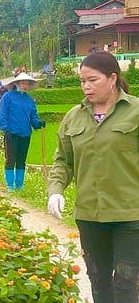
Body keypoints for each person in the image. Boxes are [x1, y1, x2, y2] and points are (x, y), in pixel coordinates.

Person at [46, 51, 139, 303]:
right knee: (98, 279)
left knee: (126, 282)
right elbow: (63, 161)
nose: (86, 86)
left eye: (93, 80)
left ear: (112, 78)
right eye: (82, 81)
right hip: (89, 215)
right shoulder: (73, 118)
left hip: (130, 214)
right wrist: (55, 189)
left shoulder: (135, 112)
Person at [0, 72, 45, 192]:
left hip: (25, 133)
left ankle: (19, 185)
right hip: (11, 133)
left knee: (21, 160)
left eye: (27, 84)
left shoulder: (29, 100)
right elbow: (2, 115)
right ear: (17, 83)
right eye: (23, 83)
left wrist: (38, 123)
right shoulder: (7, 97)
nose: (25, 86)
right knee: (10, 160)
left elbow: (33, 117)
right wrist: (5, 129)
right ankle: (10, 186)